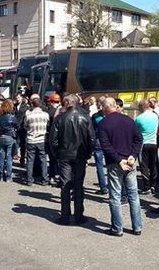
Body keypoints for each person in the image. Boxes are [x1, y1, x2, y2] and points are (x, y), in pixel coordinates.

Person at [98, 97, 143, 236]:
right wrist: (133, 156)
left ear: (106, 107)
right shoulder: (129, 120)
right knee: (133, 196)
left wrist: (119, 160)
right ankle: (137, 227)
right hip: (129, 161)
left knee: (115, 197)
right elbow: (139, 139)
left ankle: (117, 228)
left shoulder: (103, 124)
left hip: (115, 163)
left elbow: (106, 146)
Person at [49, 94, 95, 225]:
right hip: (80, 155)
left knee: (65, 185)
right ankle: (79, 215)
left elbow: (53, 140)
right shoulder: (85, 117)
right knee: (78, 185)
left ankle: (65, 216)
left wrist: (57, 153)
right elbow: (92, 138)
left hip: (65, 155)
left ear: (69, 102)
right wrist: (88, 153)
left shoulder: (60, 118)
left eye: (64, 102)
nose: (63, 103)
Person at [135, 99, 159, 194]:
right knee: (153, 165)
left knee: (144, 166)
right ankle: (153, 185)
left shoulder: (139, 118)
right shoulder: (155, 116)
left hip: (143, 144)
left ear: (141, 107)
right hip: (154, 143)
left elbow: (135, 132)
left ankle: (146, 186)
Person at [24, 96, 49, 186]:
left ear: (32, 105)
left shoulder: (28, 114)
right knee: (43, 159)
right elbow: (48, 125)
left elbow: (25, 125)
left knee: (30, 160)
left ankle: (30, 180)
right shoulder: (45, 115)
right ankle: (45, 179)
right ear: (40, 104)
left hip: (31, 139)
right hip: (42, 139)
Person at [91, 96, 109, 195]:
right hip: (110, 141)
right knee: (111, 165)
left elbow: (92, 129)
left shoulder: (95, 116)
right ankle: (112, 186)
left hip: (98, 140)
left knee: (99, 165)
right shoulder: (111, 115)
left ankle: (103, 187)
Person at [0, 100, 18, 182]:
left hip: (2, 136)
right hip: (10, 136)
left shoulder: (0, 117)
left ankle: (1, 175)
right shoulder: (12, 117)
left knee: (2, 156)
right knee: (9, 157)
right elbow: (17, 124)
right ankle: (9, 176)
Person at [46, 93, 61, 185]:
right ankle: (58, 175)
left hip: (52, 137)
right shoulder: (63, 110)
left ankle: (53, 175)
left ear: (52, 102)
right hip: (61, 138)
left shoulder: (50, 112)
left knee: (52, 158)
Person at [14, 94, 29, 166]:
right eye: (16, 98)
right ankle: (15, 154)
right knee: (15, 141)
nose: (17, 99)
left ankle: (22, 159)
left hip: (22, 127)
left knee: (23, 144)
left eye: (18, 97)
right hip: (16, 126)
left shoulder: (25, 106)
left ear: (22, 98)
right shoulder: (15, 106)